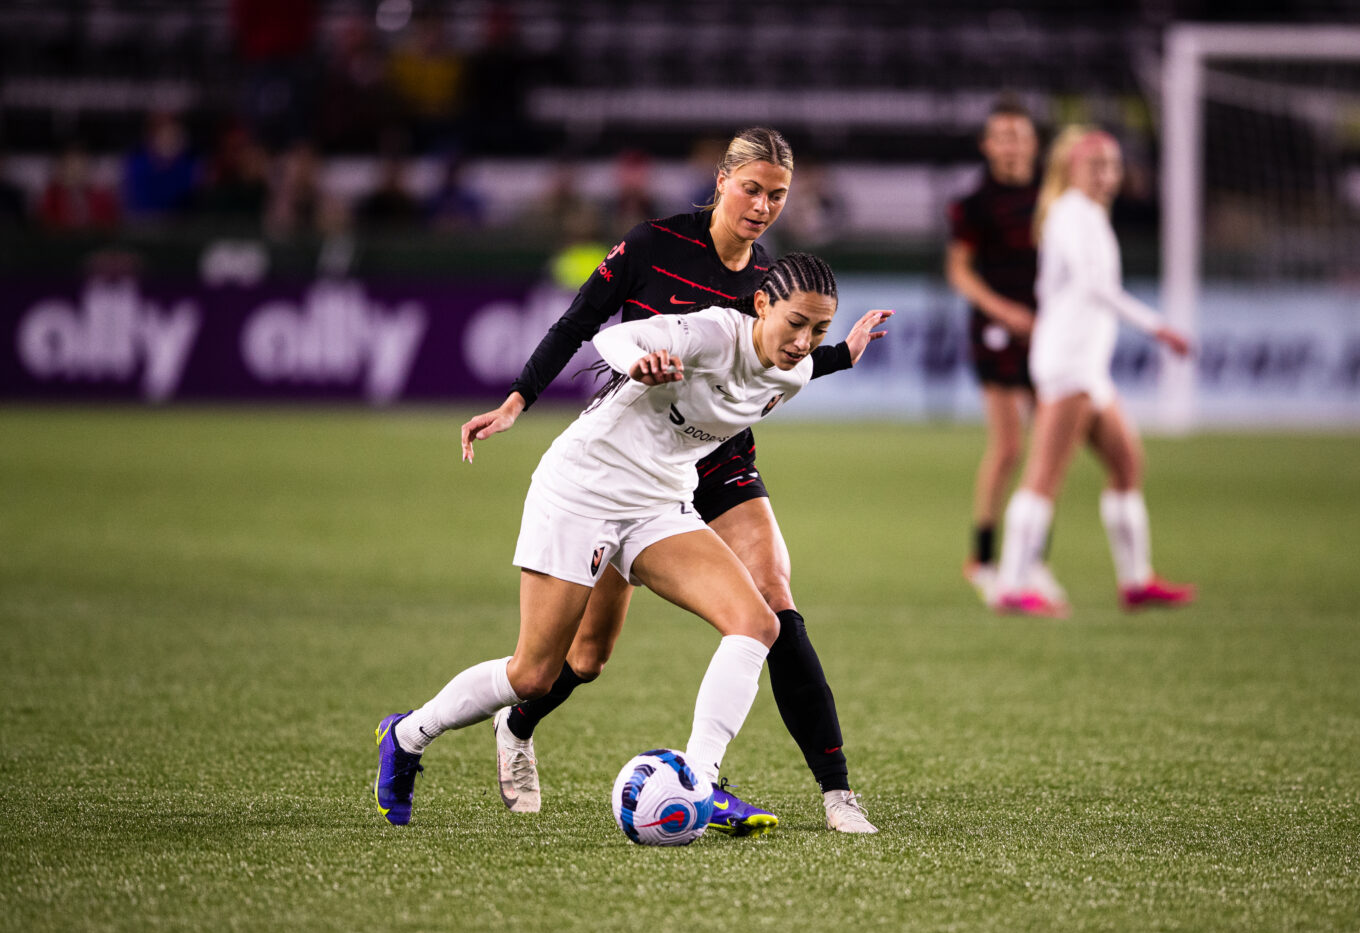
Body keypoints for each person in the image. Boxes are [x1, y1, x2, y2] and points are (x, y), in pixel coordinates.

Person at [374, 254, 892, 830]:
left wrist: (843, 352)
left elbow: (802, 364)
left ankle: (698, 782)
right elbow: (616, 337)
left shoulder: (792, 372)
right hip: (583, 490)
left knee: (757, 624)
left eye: (818, 329)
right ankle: (406, 735)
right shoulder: (713, 331)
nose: (803, 342)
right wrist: (642, 362)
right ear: (762, 304)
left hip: (657, 503)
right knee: (534, 676)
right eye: (796, 323)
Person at [461, 127, 881, 835]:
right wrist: (516, 401)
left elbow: (786, 357)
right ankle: (518, 723)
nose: (763, 206)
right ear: (721, 180)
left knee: (773, 603)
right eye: (752, 188)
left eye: (777, 195)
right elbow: (582, 322)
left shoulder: (769, 280)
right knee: (587, 657)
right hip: (638, 461)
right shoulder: (655, 244)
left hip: (718, 457)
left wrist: (840, 353)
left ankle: (832, 792)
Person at [990, 127, 1195, 617]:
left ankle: (1136, 581)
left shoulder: (1086, 215)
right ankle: (1012, 586)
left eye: (1113, 165)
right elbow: (1093, 286)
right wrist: (1157, 326)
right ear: (1071, 169)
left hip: (1087, 366)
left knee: (1127, 464)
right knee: (1045, 474)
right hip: (1068, 362)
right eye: (1097, 165)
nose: (1107, 175)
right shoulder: (1069, 214)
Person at [945, 100, 1061, 606]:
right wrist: (1005, 311)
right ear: (988, 145)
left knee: (1049, 449)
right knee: (1010, 446)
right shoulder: (975, 203)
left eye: (1020, 135)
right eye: (1002, 135)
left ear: (1034, 144)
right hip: (997, 330)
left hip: (1050, 330)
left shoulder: (1052, 198)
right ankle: (985, 557)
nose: (1011, 144)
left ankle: (1033, 560)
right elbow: (960, 271)